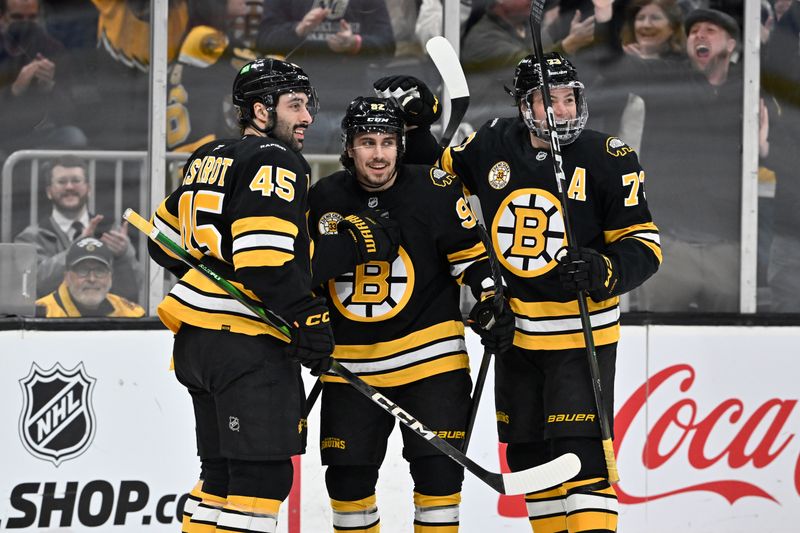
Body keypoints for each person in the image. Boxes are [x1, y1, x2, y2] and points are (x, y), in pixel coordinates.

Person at [379, 53, 661, 532]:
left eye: (569, 99)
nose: (562, 111)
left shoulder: (608, 157)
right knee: (531, 459)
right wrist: (415, 123)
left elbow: (646, 246)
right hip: (515, 335)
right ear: (524, 103)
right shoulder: (493, 140)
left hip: (579, 336)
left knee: (580, 459)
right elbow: (438, 177)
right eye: (548, 100)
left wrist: (604, 269)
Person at [146, 57, 338, 533]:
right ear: (259, 111)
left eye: (307, 106)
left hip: (198, 342)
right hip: (244, 344)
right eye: (295, 106)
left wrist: (210, 262)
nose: (307, 117)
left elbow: (160, 241)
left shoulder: (209, 156)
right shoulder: (274, 159)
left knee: (220, 476)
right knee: (261, 477)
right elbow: (266, 261)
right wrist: (309, 317)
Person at [309, 96, 515, 532]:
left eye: (388, 142)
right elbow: (306, 276)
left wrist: (491, 301)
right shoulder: (323, 197)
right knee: (346, 486)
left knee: (438, 482)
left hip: (431, 364)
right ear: (348, 147)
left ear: (401, 145)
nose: (379, 154)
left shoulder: (435, 188)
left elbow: (473, 263)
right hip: (349, 369)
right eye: (367, 142)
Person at [257, 0, 396, 153]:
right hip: (301, 108)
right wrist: (299, 29)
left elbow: (388, 46)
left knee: (348, 176)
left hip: (352, 107)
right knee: (301, 173)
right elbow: (263, 42)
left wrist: (355, 43)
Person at [14, 155, 140, 302]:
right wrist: (76, 249)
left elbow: (136, 290)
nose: (69, 187)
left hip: (105, 321)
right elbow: (33, 286)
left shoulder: (111, 232)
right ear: (49, 191)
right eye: (62, 182)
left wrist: (124, 256)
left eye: (76, 181)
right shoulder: (30, 237)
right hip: (51, 322)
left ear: (89, 188)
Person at [0, 0, 86, 153]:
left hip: (39, 133)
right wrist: (15, 89)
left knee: (73, 136)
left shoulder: (52, 49)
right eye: (18, 18)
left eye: (32, 17)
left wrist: (49, 87)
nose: (25, 24)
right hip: (3, 134)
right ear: (3, 18)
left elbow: (71, 113)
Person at [35, 236, 144, 317]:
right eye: (83, 271)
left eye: (100, 271)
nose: (92, 279)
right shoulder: (42, 315)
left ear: (110, 277)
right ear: (67, 277)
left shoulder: (131, 313)